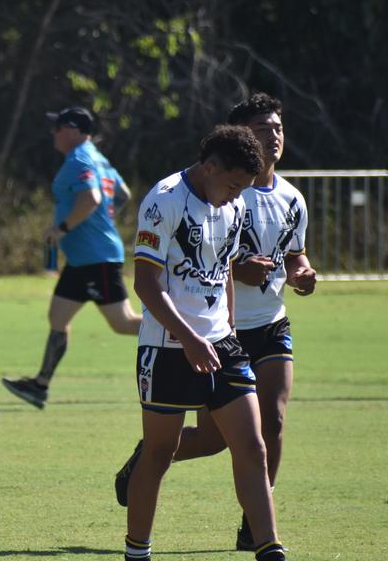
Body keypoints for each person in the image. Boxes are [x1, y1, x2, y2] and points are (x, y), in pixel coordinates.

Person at [114, 93, 317, 549]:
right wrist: (188, 338)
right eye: (231, 186)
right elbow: (145, 284)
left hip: (222, 344)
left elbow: (224, 267)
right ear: (209, 167)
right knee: (159, 454)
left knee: (253, 445)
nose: (236, 196)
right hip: (167, 348)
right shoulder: (163, 202)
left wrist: (225, 325)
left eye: (244, 188)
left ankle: (268, 548)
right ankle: (137, 551)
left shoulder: (236, 203)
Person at [2, 106, 142, 409]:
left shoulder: (80, 158)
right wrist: (106, 216)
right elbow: (124, 194)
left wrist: (63, 227)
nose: (53, 132)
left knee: (124, 323)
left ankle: (186, 336)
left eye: (59, 127)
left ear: (75, 131)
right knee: (58, 316)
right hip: (83, 259)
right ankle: (39, 386)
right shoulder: (98, 158)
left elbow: (91, 198)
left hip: (97, 257)